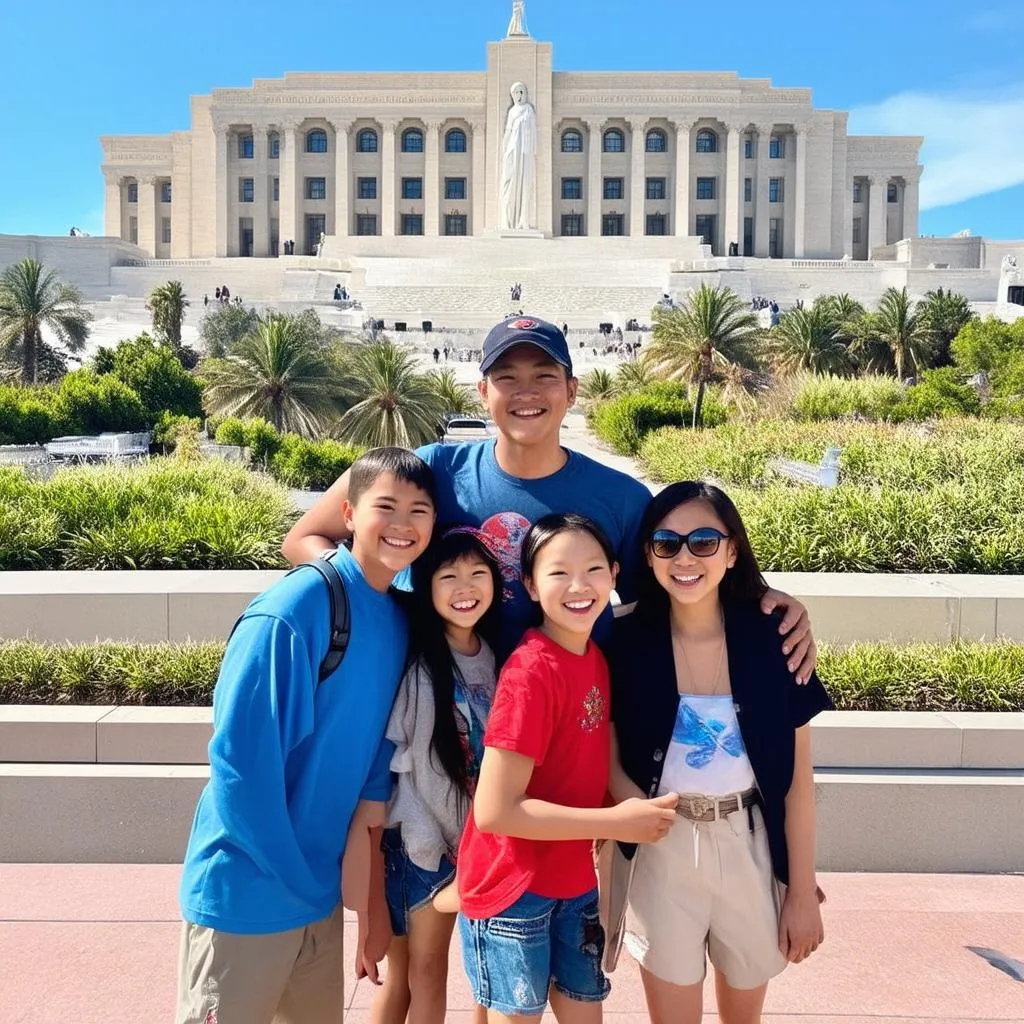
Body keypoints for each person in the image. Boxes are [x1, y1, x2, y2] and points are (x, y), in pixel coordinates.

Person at [282, 315, 816, 675]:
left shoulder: (619, 496)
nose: (527, 392)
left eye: (544, 375)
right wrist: (377, 601)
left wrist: (760, 603)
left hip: (572, 709)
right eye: (507, 377)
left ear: (572, 390)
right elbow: (307, 535)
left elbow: (672, 590)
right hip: (444, 706)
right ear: (483, 392)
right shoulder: (431, 468)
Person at [174, 447, 438, 1024]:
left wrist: (364, 909)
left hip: (314, 897)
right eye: (385, 506)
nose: (403, 525)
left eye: (419, 511)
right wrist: (298, 881)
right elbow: (240, 770)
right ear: (347, 512)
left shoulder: (394, 618)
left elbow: (373, 767)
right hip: (246, 894)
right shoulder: (292, 611)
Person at [608, 481, 833, 1024]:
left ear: (732, 551)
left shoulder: (776, 638)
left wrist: (800, 890)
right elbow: (606, 754)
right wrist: (634, 809)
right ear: (649, 554)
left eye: (704, 541)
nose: (685, 557)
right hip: (660, 849)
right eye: (667, 543)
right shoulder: (622, 640)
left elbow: (798, 781)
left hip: (749, 846)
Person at [457, 513, 680, 1023]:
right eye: (558, 573)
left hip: (574, 882)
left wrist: (636, 805)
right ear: (531, 586)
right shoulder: (530, 674)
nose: (579, 586)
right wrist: (616, 824)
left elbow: (600, 759)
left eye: (594, 569)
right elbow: (495, 811)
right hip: (513, 889)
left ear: (615, 575)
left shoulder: (594, 659)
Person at [372, 527, 502, 1024]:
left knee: (463, 972)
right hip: (423, 845)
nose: (464, 587)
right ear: (427, 587)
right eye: (448, 576)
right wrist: (464, 842)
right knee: (418, 973)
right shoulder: (424, 668)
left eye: (476, 573)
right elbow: (424, 770)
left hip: (471, 844)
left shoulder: (492, 655)